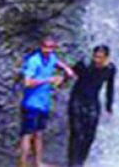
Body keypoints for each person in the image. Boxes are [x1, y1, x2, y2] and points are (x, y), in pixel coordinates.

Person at [17, 35, 76, 167]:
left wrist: (66, 69)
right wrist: (48, 80)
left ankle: (37, 163)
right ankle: (22, 164)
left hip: (44, 103)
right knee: (27, 134)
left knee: (39, 133)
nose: (47, 50)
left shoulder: (51, 58)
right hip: (31, 103)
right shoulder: (34, 60)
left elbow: (57, 63)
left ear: (54, 48)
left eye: (50, 48)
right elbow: (27, 82)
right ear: (40, 46)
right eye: (45, 47)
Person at [66, 44, 117, 167]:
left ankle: (80, 162)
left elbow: (110, 88)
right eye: (95, 57)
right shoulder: (83, 64)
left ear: (106, 58)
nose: (97, 60)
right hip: (77, 101)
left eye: (100, 58)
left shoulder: (110, 69)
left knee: (89, 135)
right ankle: (72, 163)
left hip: (93, 102)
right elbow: (69, 74)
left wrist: (109, 106)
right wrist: (62, 79)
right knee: (77, 133)